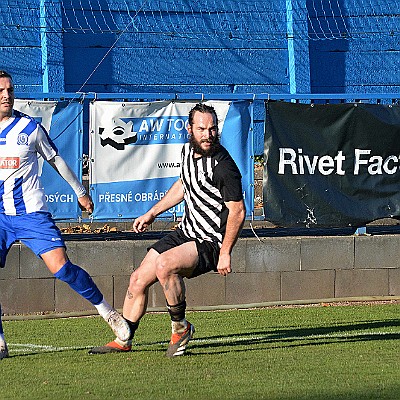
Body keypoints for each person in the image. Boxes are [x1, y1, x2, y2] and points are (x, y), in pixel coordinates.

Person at [90, 102, 246, 357]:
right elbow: (184, 185)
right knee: (138, 279)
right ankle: (124, 338)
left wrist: (226, 252)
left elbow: (238, 211)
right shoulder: (187, 151)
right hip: (187, 231)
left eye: (212, 129)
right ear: (190, 129)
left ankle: (180, 329)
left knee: (165, 266)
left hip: (210, 241)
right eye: (202, 129)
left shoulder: (223, 166)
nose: (208, 135)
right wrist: (152, 213)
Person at [0, 70, 129, 360]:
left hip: (31, 214)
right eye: (0, 91)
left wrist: (80, 191)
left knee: (62, 269)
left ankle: (109, 314)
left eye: (9, 89)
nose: (6, 95)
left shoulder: (29, 129)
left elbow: (55, 159)